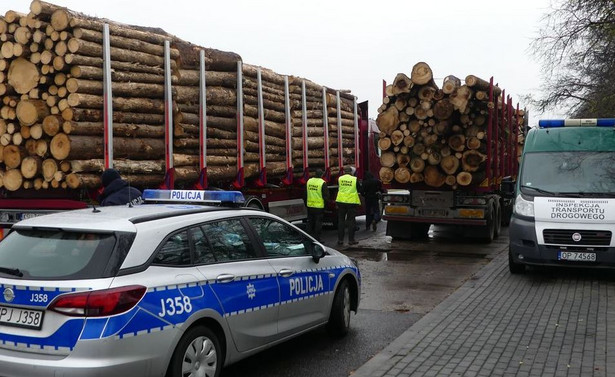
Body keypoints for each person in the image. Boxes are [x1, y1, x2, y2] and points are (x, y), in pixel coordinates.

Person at [335, 166, 361, 246]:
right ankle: (351, 240)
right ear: (351, 172)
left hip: (341, 201)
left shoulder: (340, 179)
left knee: (341, 221)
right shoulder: (354, 179)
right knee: (351, 221)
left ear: (344, 172)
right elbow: (359, 189)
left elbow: (338, 187)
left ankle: (340, 240)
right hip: (351, 202)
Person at [304, 169, 330, 242]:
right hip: (319, 207)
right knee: (318, 223)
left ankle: (307, 237)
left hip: (310, 206)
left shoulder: (309, 181)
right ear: (321, 175)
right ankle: (317, 238)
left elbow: (305, 194)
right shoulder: (322, 183)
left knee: (309, 222)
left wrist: (306, 203)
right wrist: (326, 206)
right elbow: (326, 196)